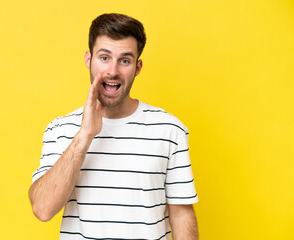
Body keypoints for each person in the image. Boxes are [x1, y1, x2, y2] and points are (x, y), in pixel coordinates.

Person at [29, 13, 199, 240]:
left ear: (137, 67)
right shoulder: (60, 130)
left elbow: (181, 214)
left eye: (125, 60)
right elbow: (42, 209)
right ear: (89, 60)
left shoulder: (170, 130)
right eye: (104, 58)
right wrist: (84, 136)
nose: (113, 71)